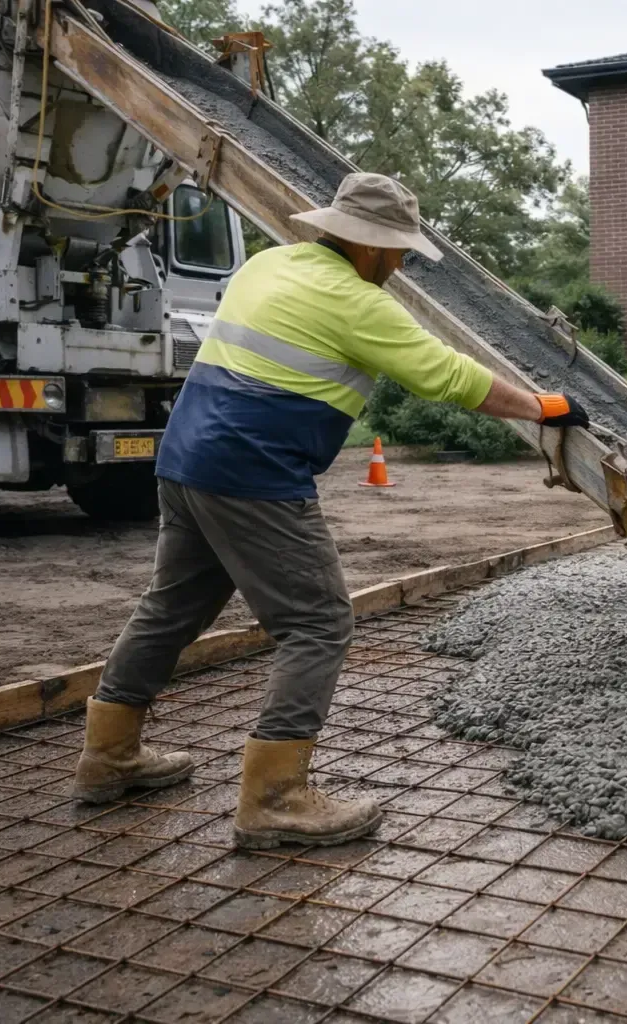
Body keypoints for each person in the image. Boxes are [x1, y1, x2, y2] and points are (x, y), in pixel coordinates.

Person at [71, 173, 590, 847]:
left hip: (185, 460)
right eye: (399, 251)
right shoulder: (358, 302)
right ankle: (275, 798)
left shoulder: (265, 265)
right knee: (318, 621)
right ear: (371, 248)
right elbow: (447, 377)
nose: (401, 264)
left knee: (171, 607)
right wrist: (543, 405)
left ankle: (107, 757)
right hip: (253, 474)